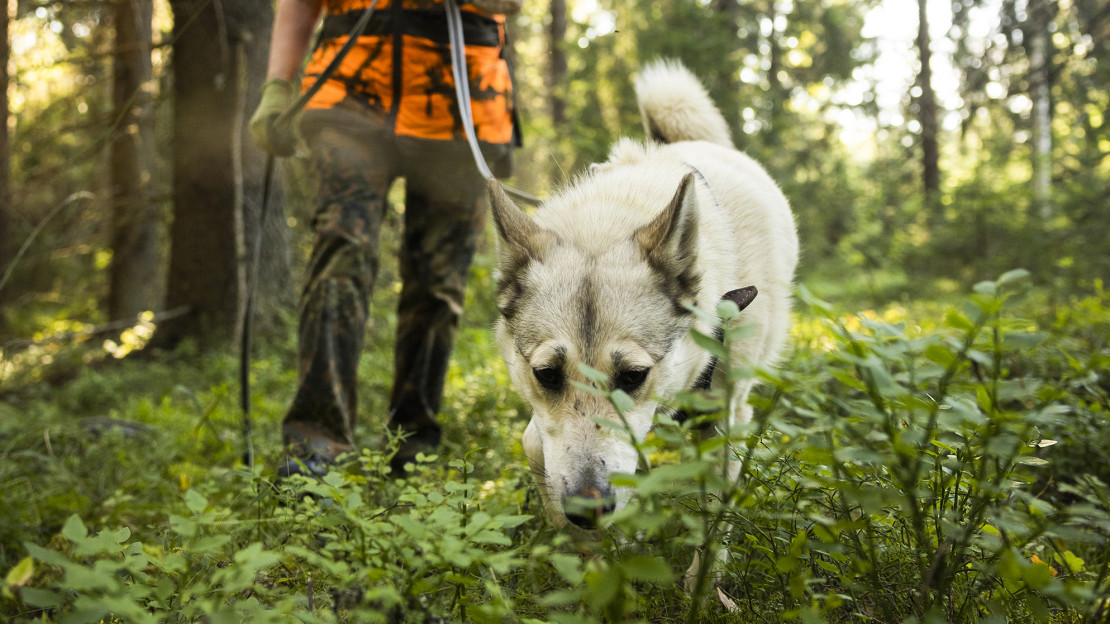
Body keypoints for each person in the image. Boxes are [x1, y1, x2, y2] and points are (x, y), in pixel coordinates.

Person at [249, 0, 520, 476]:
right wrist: (276, 86)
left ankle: (413, 450)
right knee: (340, 250)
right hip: (349, 93)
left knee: (437, 285)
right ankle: (316, 445)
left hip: (463, 106)